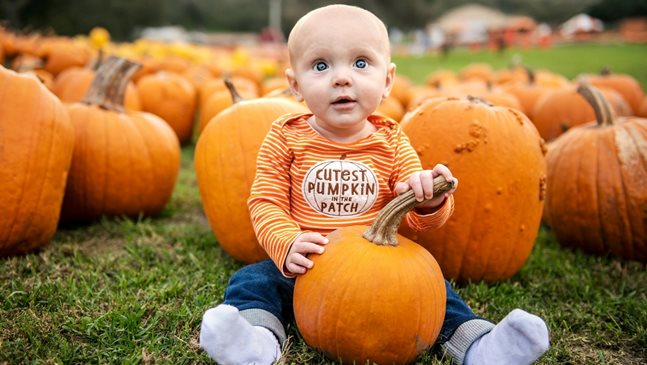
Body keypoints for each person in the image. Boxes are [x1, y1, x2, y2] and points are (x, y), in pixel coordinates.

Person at [199, 4, 550, 365]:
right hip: (306, 266)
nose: (341, 78)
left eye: (361, 63)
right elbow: (265, 201)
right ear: (295, 85)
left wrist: (428, 200)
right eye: (321, 66)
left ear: (387, 80)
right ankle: (257, 342)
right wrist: (286, 243)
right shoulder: (285, 137)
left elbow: (415, 220)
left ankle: (479, 345)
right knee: (253, 281)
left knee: (436, 293)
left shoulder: (393, 142)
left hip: (380, 274)